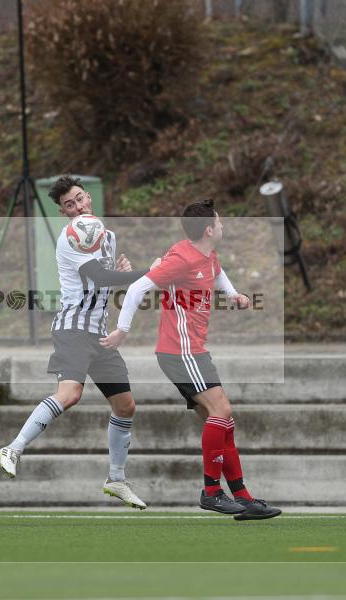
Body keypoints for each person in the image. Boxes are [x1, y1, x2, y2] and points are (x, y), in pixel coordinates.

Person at [101, 199, 281, 520]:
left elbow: (217, 271)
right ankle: (211, 492)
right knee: (222, 411)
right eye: (220, 221)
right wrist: (122, 330)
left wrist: (233, 295)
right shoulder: (182, 258)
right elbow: (137, 289)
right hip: (179, 351)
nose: (223, 225)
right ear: (209, 230)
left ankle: (243, 498)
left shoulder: (206, 253)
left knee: (224, 423)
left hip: (195, 351)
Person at [0, 175, 151, 509]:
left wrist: (123, 271)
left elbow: (108, 280)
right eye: (70, 204)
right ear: (64, 212)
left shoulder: (106, 236)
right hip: (73, 328)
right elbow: (100, 277)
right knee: (70, 394)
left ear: (88, 198)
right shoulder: (71, 238)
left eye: (80, 198)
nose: (78, 205)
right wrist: (143, 274)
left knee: (125, 406)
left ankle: (116, 479)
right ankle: (14, 448)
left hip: (99, 333)